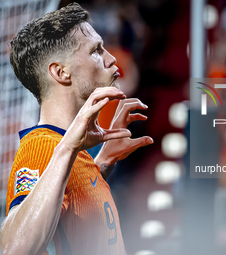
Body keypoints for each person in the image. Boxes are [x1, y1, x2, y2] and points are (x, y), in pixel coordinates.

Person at [0, 3, 153, 255]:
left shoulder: (74, 154)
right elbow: (14, 249)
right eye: (96, 50)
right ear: (61, 72)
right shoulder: (44, 146)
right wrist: (68, 146)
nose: (111, 58)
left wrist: (102, 163)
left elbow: (69, 219)